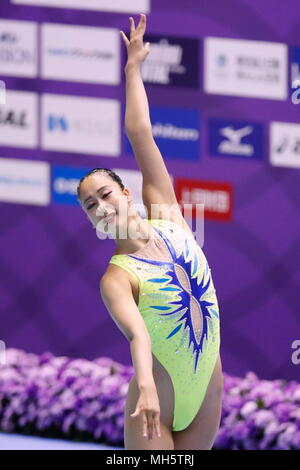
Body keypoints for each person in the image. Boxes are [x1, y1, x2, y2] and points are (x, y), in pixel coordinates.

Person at [76, 13, 223, 450]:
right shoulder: (117, 277)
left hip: (208, 388)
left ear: (125, 192)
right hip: (155, 399)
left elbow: (140, 132)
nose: (101, 207)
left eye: (105, 194)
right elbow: (138, 335)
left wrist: (133, 69)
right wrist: (146, 387)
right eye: (90, 205)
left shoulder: (169, 216)